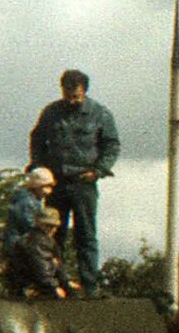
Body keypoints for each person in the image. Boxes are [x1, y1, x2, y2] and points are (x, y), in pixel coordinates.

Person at [27, 69, 120, 296]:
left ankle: (90, 285)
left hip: (83, 183)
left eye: (76, 96)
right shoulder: (51, 113)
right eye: (67, 93)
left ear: (84, 91)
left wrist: (98, 171)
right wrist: (39, 166)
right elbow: (37, 139)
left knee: (85, 235)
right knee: (52, 235)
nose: (71, 100)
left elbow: (111, 145)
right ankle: (55, 283)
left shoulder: (100, 114)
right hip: (56, 183)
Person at [9, 205, 70, 298]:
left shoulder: (42, 240)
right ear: (38, 224)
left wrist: (67, 282)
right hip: (33, 292)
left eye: (55, 226)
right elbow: (42, 272)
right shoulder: (38, 242)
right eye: (48, 225)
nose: (53, 229)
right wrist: (54, 288)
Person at [3, 166, 54, 262]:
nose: (49, 191)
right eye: (45, 186)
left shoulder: (35, 201)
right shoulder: (27, 203)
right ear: (36, 186)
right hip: (19, 248)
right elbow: (28, 226)